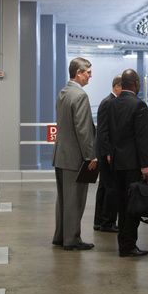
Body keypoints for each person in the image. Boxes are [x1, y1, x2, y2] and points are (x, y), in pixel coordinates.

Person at [51, 57, 98, 251]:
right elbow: (83, 129)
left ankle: (61, 235)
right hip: (75, 158)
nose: (90, 76)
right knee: (75, 200)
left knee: (63, 198)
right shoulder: (80, 96)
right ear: (78, 73)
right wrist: (90, 156)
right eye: (88, 72)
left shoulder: (63, 92)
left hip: (61, 155)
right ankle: (72, 239)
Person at [109, 68, 148, 258]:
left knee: (121, 204)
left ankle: (123, 244)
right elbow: (142, 138)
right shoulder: (139, 106)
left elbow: (108, 133)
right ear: (136, 84)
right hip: (133, 165)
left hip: (116, 164)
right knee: (133, 207)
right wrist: (146, 167)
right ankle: (129, 246)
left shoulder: (112, 104)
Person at [93, 75, 122, 233]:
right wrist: (108, 152)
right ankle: (107, 222)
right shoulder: (109, 103)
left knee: (104, 187)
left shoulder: (108, 102)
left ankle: (99, 221)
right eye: (122, 88)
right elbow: (103, 131)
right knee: (111, 188)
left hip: (104, 152)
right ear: (116, 86)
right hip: (106, 153)